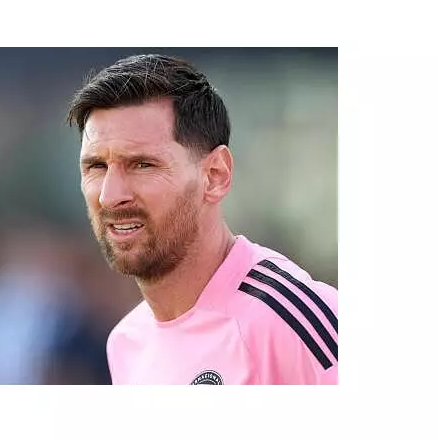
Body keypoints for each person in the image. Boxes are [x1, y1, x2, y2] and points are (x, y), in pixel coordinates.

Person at [66, 54, 338, 385]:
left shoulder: (287, 321)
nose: (110, 196)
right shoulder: (126, 343)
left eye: (143, 165)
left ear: (215, 175)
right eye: (96, 166)